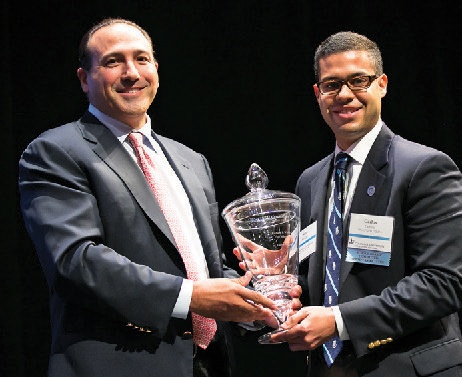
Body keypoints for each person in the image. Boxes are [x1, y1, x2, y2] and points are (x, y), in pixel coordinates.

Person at [18, 17, 282, 377]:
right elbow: (75, 260)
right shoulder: (56, 152)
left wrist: (257, 297)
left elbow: (208, 266)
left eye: (142, 59)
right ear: (84, 78)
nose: (131, 73)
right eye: (113, 61)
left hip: (208, 365)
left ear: (156, 68)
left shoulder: (192, 161)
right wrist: (190, 297)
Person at [270, 31, 462, 376]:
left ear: (382, 84)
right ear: (318, 94)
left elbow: (443, 282)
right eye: (331, 85)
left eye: (358, 81)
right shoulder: (310, 181)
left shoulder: (425, 168)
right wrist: (276, 280)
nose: (344, 95)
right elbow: (321, 276)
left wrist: (339, 321)